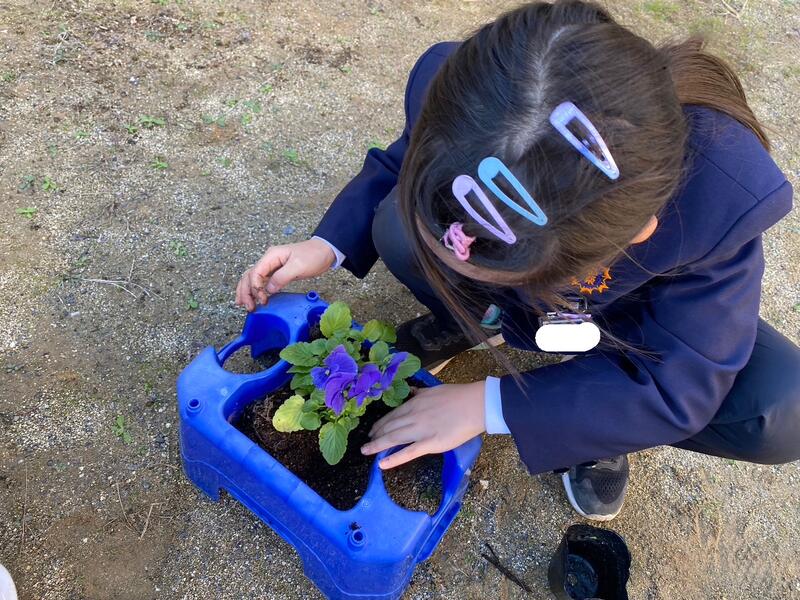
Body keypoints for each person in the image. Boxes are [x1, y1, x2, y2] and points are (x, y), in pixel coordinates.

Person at [236, 0, 799, 521]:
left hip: (626, 317)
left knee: (780, 410)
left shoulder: (716, 206)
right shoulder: (478, 93)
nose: (455, 265)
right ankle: (473, 323)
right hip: (535, 290)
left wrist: (489, 404)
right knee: (397, 226)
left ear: (634, 234)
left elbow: (681, 382)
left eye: (504, 274)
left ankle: (591, 421)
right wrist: (327, 244)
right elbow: (405, 161)